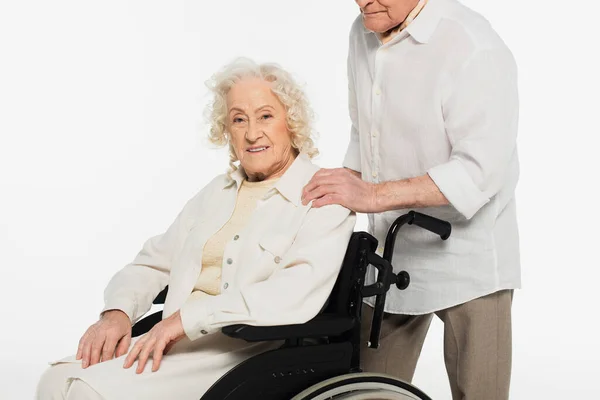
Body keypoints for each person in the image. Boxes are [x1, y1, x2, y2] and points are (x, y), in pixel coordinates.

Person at [36, 58, 356, 400]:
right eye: (238, 119)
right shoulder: (216, 192)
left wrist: (184, 320)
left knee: (87, 392)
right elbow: (153, 263)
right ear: (226, 129)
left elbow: (292, 293)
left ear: (290, 122)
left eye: (265, 116)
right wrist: (117, 312)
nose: (251, 133)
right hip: (174, 343)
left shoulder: (324, 194)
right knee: (55, 380)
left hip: (244, 353)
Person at [302, 0, 520, 399]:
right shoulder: (361, 31)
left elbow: (478, 171)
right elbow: (362, 129)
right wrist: (338, 189)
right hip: (393, 251)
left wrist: (372, 194)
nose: (363, 1)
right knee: (367, 392)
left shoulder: (472, 45)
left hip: (468, 260)